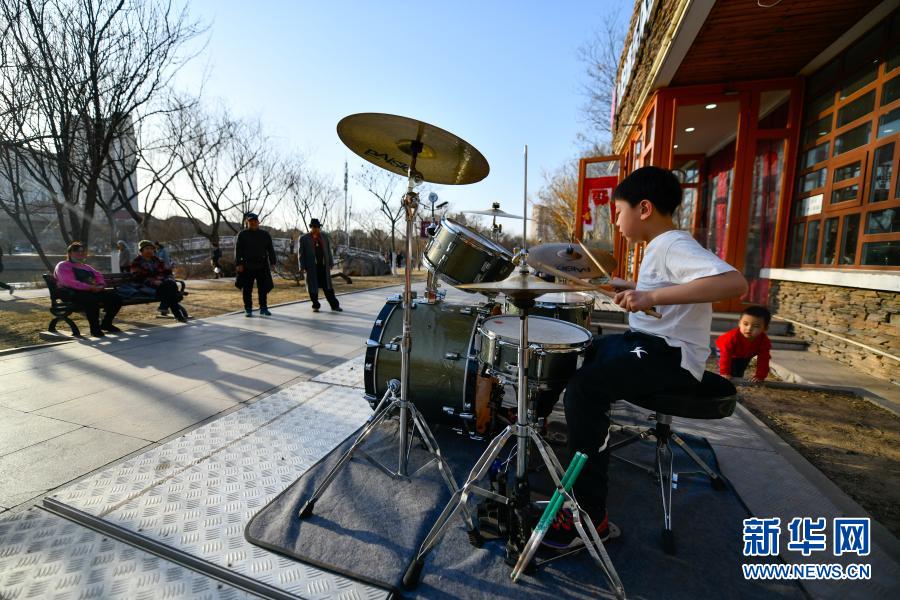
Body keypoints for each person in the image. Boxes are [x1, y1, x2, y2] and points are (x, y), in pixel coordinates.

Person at [541, 166, 748, 550]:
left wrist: (649, 297)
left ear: (645, 208)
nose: (616, 221)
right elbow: (675, 289)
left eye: (618, 212)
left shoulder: (672, 243)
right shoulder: (659, 247)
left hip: (669, 357)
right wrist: (636, 288)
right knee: (578, 350)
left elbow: (734, 282)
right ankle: (559, 443)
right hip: (652, 345)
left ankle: (589, 515)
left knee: (585, 388)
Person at [54, 241, 123, 337]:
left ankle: (106, 324)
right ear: (70, 253)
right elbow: (69, 282)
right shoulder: (63, 265)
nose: (80, 253)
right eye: (77, 251)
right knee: (91, 300)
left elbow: (99, 276)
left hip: (90, 291)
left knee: (115, 298)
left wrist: (100, 286)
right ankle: (95, 329)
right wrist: (90, 287)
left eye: (82, 251)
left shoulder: (86, 267)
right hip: (71, 293)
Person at [131, 239, 188, 322]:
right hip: (146, 286)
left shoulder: (158, 260)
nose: (150, 251)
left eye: (151, 248)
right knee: (172, 291)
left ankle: (164, 306)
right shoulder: (136, 262)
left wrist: (169, 279)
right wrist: (152, 281)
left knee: (170, 283)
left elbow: (168, 272)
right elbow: (137, 277)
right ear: (141, 251)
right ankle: (177, 314)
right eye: (147, 249)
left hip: (162, 285)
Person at [234, 212, 277, 317]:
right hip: (246, 265)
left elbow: (270, 249)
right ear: (246, 222)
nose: (253, 223)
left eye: (255, 221)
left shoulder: (265, 234)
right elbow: (238, 250)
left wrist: (273, 262)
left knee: (263, 288)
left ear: (258, 222)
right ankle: (248, 309)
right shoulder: (242, 234)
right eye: (250, 221)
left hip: (262, 265)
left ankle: (263, 308)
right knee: (247, 289)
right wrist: (239, 263)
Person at [716, 305, 772, 383]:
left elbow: (764, 359)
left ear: (765, 328)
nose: (749, 329)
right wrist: (724, 373)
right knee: (725, 374)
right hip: (725, 350)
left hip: (745, 354)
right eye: (745, 324)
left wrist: (760, 376)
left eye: (756, 326)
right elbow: (725, 356)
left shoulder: (764, 341)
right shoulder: (731, 338)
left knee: (738, 372)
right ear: (739, 323)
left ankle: (735, 385)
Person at [298, 218, 342, 313]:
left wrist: (331, 262)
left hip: (323, 267)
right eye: (314, 227)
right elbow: (301, 254)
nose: (317, 229)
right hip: (311, 267)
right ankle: (316, 305)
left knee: (328, 287)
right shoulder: (304, 238)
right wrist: (301, 266)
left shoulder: (324, 237)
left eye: (318, 227)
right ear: (311, 227)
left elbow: (328, 251)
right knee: (312, 288)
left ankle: (335, 305)